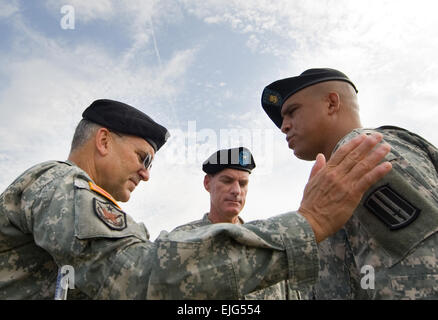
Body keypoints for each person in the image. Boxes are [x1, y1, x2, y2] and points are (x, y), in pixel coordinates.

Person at [0, 99, 392, 299]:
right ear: (103, 140)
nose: (146, 173)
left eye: (244, 182)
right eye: (142, 157)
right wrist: (308, 224)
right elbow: (137, 274)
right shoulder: (57, 184)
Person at [261, 68, 438, 299]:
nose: (284, 126)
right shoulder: (339, 173)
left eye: (292, 112)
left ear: (331, 103)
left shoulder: (363, 154)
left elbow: (422, 275)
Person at [173, 147, 306, 300]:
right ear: (207, 183)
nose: (236, 190)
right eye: (227, 181)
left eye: (243, 183)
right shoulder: (180, 241)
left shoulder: (267, 244)